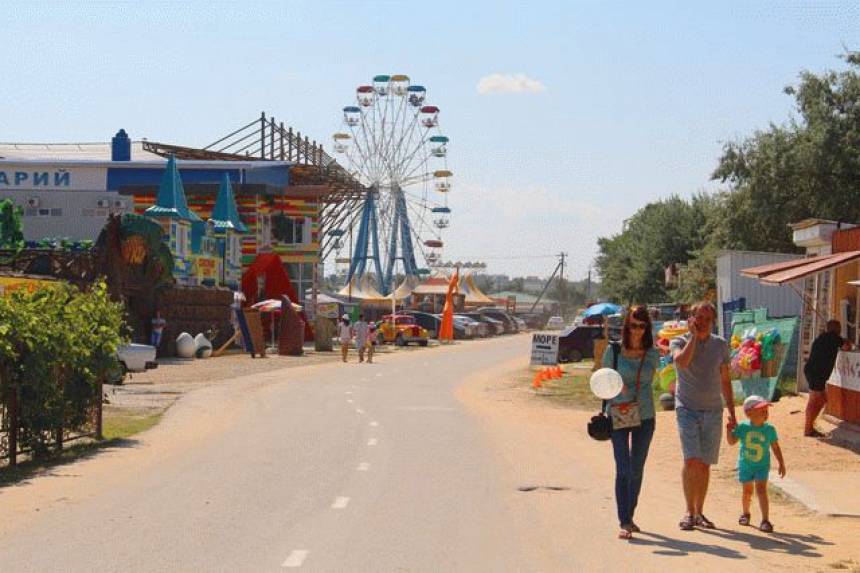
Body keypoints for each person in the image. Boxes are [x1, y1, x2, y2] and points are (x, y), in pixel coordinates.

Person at [670, 301, 737, 531]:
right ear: (691, 319)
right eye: (699, 318)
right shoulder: (679, 341)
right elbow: (682, 361)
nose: (703, 323)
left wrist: (732, 413)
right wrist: (693, 338)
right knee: (692, 460)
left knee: (705, 464)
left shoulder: (720, 345)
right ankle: (689, 512)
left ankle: (699, 512)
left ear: (713, 321)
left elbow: (726, 380)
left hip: (713, 411)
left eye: (707, 319)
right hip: (687, 408)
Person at [601, 305, 660, 540]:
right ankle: (624, 520)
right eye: (634, 325)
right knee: (623, 468)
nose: (638, 330)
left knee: (636, 469)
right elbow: (602, 380)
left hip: (644, 415)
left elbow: (649, 379)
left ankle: (630, 514)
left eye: (642, 326)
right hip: (617, 413)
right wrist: (617, 387)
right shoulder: (613, 352)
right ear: (627, 326)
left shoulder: (652, 354)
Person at [726, 395, 786, 533]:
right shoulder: (743, 427)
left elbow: (775, 447)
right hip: (745, 465)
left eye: (766, 411)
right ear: (749, 413)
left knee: (761, 490)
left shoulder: (769, 429)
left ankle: (765, 520)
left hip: (762, 465)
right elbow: (731, 442)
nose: (765, 414)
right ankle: (746, 513)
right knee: (747, 491)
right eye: (761, 411)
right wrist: (729, 430)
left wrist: (781, 463)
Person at [803, 320, 851, 437]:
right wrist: (846, 340)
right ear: (837, 329)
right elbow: (847, 347)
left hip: (814, 371)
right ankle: (808, 429)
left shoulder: (822, 337)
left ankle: (810, 425)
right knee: (814, 400)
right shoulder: (834, 338)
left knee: (822, 399)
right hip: (817, 373)